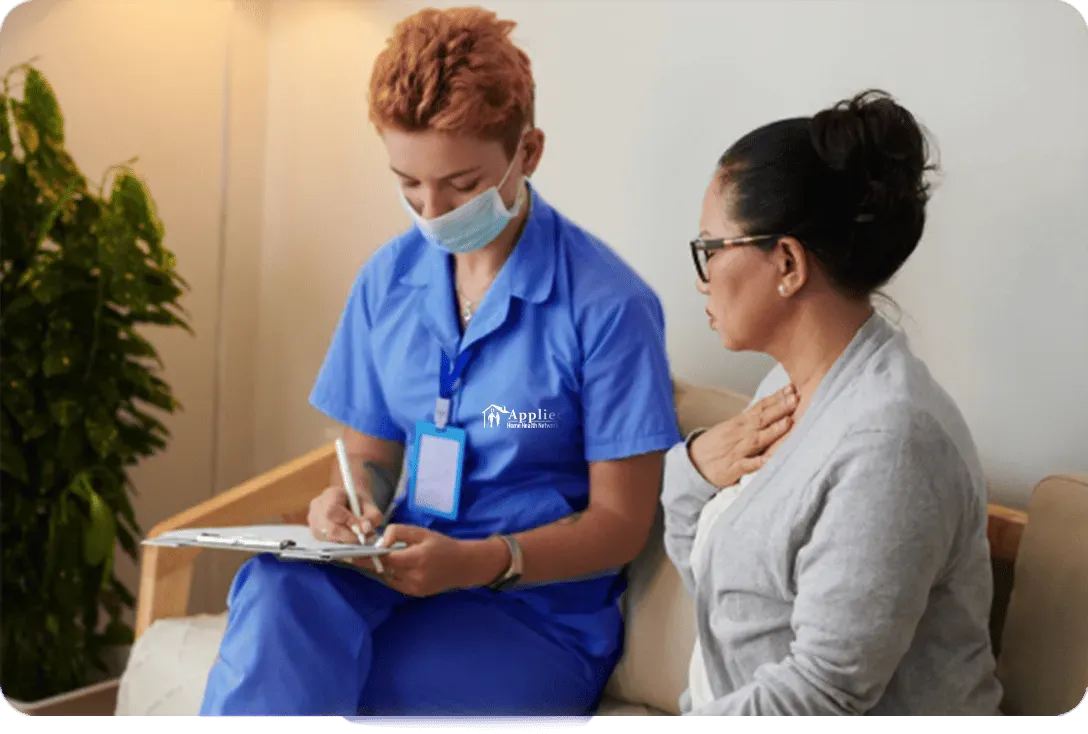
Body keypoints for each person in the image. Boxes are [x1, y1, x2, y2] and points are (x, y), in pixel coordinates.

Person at [198, 6, 681, 718]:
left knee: (353, 694)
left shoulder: (609, 307)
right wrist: (351, 502)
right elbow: (370, 455)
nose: (432, 211)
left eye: (461, 185)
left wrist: (479, 562)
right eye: (409, 183)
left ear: (528, 152)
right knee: (276, 586)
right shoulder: (386, 280)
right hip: (393, 570)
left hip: (528, 612)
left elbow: (620, 524)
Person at [661, 89, 1004, 719]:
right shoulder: (788, 387)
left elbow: (822, 695)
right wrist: (692, 471)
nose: (701, 279)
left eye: (711, 249)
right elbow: (724, 605)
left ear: (787, 263)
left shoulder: (891, 444)